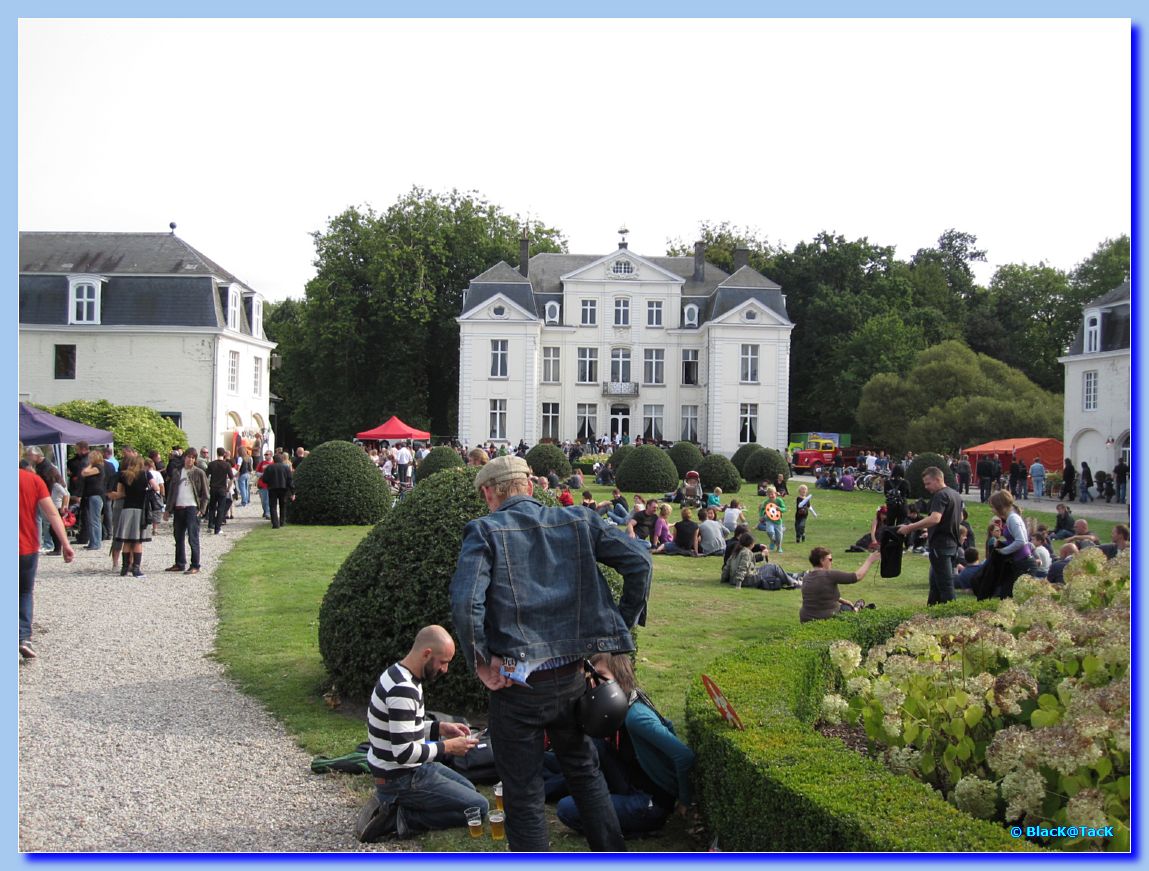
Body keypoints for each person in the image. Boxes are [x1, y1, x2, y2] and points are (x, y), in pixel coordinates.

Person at [449, 455, 652, 852]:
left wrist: (479, 660)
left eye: (484, 496)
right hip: (573, 680)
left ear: (490, 493)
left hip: (517, 686)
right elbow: (640, 561)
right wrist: (617, 630)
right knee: (584, 772)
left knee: (523, 792)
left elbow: (465, 601)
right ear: (529, 485)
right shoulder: (579, 519)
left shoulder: (485, 530)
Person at [554, 653, 694, 838]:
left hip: (650, 801)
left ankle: (639, 827)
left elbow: (684, 755)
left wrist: (684, 800)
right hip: (632, 779)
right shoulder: (622, 701)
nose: (594, 682)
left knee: (566, 809)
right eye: (592, 676)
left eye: (601, 675)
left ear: (619, 676)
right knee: (592, 745)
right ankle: (541, 785)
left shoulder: (637, 717)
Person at [366, 625, 486, 838]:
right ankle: (400, 819)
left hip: (405, 771)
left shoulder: (399, 673)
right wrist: (447, 747)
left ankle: (399, 805)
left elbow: (404, 728)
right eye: (443, 662)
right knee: (478, 808)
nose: (445, 669)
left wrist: (440, 728)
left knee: (470, 790)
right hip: (400, 778)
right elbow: (403, 753)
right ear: (427, 654)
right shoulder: (403, 690)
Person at [20, 468, 76, 659]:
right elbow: (52, 514)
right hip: (26, 546)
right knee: (24, 592)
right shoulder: (33, 480)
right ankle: (23, 637)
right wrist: (65, 544)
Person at [897, 466, 962, 606]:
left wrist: (909, 528)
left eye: (928, 483)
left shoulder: (940, 495)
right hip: (951, 545)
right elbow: (960, 517)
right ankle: (930, 613)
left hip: (941, 546)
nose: (926, 487)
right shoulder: (955, 494)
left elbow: (935, 518)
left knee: (946, 587)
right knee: (935, 585)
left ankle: (953, 618)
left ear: (938, 479)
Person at [107, 454, 159, 578]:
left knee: (127, 540)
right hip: (140, 510)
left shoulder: (124, 475)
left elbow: (120, 493)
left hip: (127, 509)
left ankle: (124, 568)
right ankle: (136, 568)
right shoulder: (146, 474)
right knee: (137, 541)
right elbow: (156, 487)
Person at [799, 547, 880, 622]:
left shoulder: (807, 576)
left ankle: (856, 609)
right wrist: (870, 560)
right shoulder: (830, 575)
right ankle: (856, 609)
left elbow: (820, 594)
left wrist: (843, 600)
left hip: (806, 619)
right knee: (847, 609)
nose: (832, 562)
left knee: (844, 605)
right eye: (830, 559)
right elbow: (857, 576)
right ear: (822, 560)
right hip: (827, 617)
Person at [162, 449, 209, 575]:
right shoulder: (177, 472)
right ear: (184, 458)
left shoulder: (199, 473)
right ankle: (179, 563)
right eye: (188, 457)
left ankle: (195, 565)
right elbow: (172, 492)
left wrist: (202, 510)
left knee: (193, 538)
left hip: (192, 508)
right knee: (178, 537)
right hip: (179, 508)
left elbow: (205, 494)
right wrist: (168, 510)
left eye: (193, 458)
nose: (190, 460)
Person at [987, 490, 1036, 598]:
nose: (992, 510)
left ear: (1000, 506)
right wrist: (1002, 543)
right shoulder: (1012, 517)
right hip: (1019, 562)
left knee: (1010, 597)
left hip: (1023, 563)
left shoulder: (1012, 519)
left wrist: (1002, 551)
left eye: (993, 507)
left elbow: (1021, 541)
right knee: (1006, 595)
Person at [79, 446, 107, 550]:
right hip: (90, 495)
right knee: (91, 519)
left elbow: (84, 473)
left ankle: (96, 543)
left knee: (95, 520)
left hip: (96, 495)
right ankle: (92, 541)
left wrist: (90, 464)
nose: (89, 459)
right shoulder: (95, 467)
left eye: (91, 457)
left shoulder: (98, 467)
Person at [261, 451, 295, 529]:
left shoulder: (269, 467)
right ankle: (282, 522)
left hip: (272, 488)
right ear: (282, 459)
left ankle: (275, 523)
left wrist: (270, 482)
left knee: (273, 506)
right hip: (283, 488)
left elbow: (264, 479)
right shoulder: (286, 467)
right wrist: (293, 491)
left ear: (274, 460)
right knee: (283, 505)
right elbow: (290, 480)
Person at [206, 448, 235, 535]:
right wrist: (228, 487)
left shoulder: (211, 464)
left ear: (217, 453)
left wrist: (207, 486)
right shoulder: (227, 465)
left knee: (212, 507)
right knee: (220, 509)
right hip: (222, 488)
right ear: (224, 454)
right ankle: (217, 528)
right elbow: (231, 478)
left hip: (213, 488)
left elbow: (206, 476)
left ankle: (210, 525)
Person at [756, 485, 786, 553]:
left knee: (779, 536)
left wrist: (780, 509)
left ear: (775, 493)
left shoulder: (779, 500)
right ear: (767, 494)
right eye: (769, 494)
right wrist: (761, 516)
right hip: (769, 520)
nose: (771, 495)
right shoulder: (766, 502)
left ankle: (779, 547)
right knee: (770, 531)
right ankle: (772, 540)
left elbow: (785, 509)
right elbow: (762, 509)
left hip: (778, 521)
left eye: (772, 494)